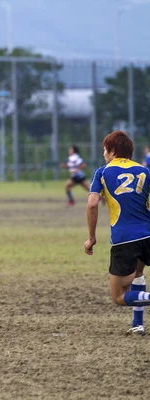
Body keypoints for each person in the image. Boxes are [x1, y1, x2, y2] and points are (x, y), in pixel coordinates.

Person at [85, 130, 150, 336]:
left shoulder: (102, 172)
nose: (103, 154)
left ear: (113, 151)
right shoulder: (145, 171)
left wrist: (92, 238)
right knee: (138, 273)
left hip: (125, 240)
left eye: (105, 150)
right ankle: (138, 324)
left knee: (119, 296)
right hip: (148, 234)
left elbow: (92, 204)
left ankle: (138, 321)